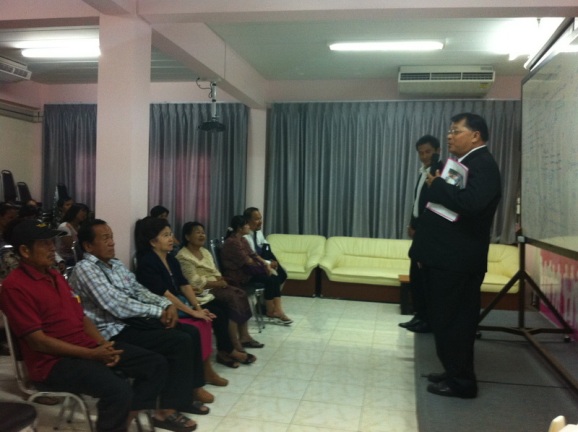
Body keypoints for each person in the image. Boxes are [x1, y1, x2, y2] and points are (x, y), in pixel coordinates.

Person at [0, 219, 193, 432]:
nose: (52, 248)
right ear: (25, 251)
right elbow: (38, 342)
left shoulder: (55, 276)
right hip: (53, 363)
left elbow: (82, 317)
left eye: (51, 242)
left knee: (155, 364)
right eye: (44, 244)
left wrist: (102, 344)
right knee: (118, 389)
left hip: (86, 347)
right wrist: (92, 354)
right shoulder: (15, 286)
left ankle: (125, 420)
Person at [68, 219, 213, 419]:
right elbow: (115, 304)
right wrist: (157, 312)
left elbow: (138, 290)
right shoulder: (85, 269)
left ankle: (187, 395)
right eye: (105, 238)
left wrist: (166, 305)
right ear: (88, 246)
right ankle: (167, 410)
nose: (112, 242)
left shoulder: (115, 264)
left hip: (130, 323)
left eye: (111, 237)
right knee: (178, 341)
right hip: (110, 332)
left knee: (190, 331)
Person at [409, 113, 501, 399]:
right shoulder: (464, 163)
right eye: (449, 131)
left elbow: (471, 205)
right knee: (444, 320)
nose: (449, 136)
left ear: (475, 136)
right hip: (446, 258)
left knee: (455, 323)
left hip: (457, 262)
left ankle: (462, 382)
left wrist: (438, 186)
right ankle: (452, 372)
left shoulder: (483, 164)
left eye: (456, 131)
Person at [133, 216, 234, 385]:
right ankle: (198, 378)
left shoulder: (170, 259)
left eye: (170, 234)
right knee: (197, 325)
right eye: (165, 235)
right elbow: (166, 295)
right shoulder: (147, 263)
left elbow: (184, 284)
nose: (171, 239)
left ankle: (207, 370)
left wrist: (197, 307)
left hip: (178, 303)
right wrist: (193, 312)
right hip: (164, 309)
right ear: (153, 242)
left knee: (206, 319)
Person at [176, 221, 263, 359]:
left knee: (240, 293)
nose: (202, 235)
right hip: (202, 290)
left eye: (203, 232)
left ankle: (244, 336)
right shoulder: (183, 256)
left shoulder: (205, 251)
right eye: (197, 232)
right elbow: (194, 281)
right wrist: (217, 283)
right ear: (187, 237)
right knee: (232, 298)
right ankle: (234, 343)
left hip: (216, 284)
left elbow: (215, 270)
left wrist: (219, 280)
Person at [399, 135, 443, 333]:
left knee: (425, 279)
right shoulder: (423, 172)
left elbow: (436, 206)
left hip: (429, 234)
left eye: (428, 152)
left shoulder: (439, 172)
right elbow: (417, 202)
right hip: (419, 230)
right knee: (416, 276)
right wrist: (412, 222)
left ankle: (427, 319)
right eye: (421, 153)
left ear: (437, 151)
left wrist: (421, 228)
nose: (424, 156)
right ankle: (419, 316)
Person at [221, 215, 292, 325]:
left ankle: (276, 310)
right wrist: (265, 267)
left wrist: (266, 264)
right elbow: (248, 261)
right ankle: (271, 310)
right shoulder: (232, 242)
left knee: (274, 277)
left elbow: (253, 255)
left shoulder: (242, 239)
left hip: (246, 272)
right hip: (238, 275)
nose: (248, 226)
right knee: (270, 279)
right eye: (246, 224)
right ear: (239, 228)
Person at [243, 207, 287, 285]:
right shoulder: (244, 237)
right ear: (247, 221)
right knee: (274, 278)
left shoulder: (258, 232)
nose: (260, 222)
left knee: (283, 275)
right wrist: (268, 263)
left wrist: (273, 261)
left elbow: (266, 247)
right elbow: (252, 257)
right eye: (257, 219)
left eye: (260, 219)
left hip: (262, 261)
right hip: (253, 266)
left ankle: (273, 291)